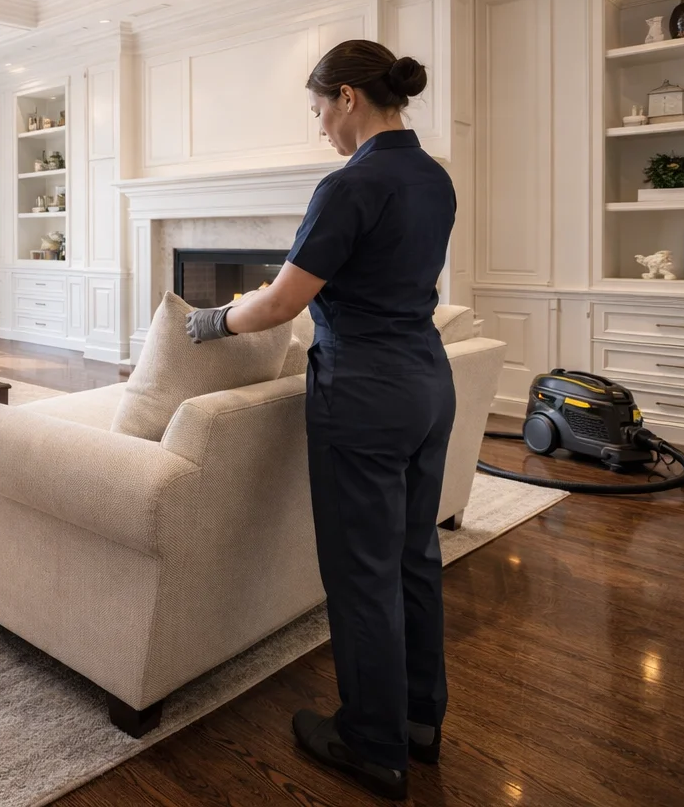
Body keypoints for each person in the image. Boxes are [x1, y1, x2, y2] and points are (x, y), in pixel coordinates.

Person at [186, 39, 456, 801]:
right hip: (429, 386)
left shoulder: (351, 185)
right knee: (412, 555)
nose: (320, 131)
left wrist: (211, 321)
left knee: (362, 571)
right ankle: (419, 721)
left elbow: (279, 303)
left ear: (347, 98)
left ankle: (371, 744)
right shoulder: (435, 179)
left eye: (318, 112)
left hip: (365, 393)